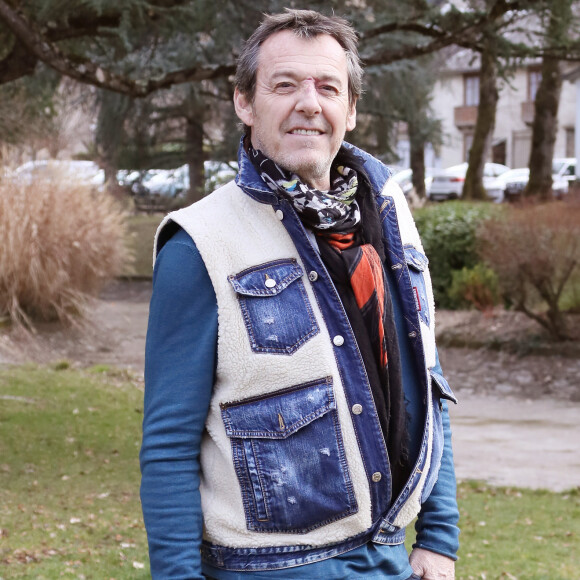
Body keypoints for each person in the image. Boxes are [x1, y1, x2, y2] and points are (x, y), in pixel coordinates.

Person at [140, 9, 459, 580]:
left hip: (389, 560)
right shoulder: (200, 244)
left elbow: (426, 380)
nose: (309, 103)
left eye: (327, 88)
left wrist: (439, 536)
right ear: (244, 102)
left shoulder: (387, 217)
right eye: (284, 85)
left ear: (351, 109)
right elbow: (168, 447)